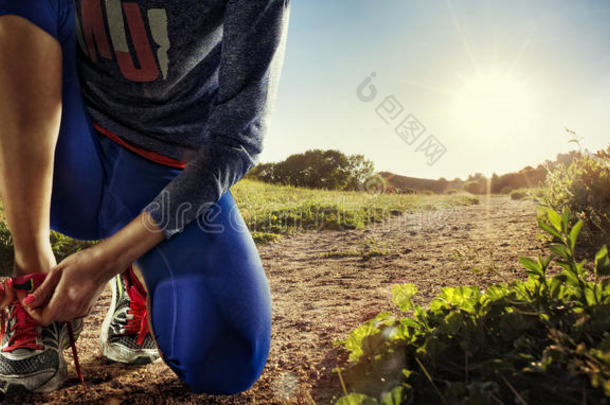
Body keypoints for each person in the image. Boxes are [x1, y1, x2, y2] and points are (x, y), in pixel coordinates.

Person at [0, 0, 290, 395]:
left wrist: (108, 260)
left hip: (168, 168)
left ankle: (137, 273)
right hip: (67, 146)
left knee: (227, 359)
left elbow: (237, 140)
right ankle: (31, 277)